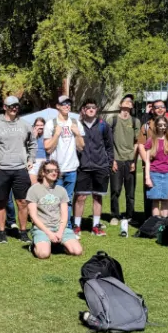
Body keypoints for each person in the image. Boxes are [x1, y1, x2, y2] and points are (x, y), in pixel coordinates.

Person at [0, 96, 35, 244]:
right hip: (1, 169)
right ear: (4, 107)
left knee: (22, 202)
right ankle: (2, 232)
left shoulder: (25, 125)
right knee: (1, 202)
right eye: (11, 106)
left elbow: (33, 143)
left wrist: (31, 160)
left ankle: (22, 232)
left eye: (16, 106)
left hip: (20, 169)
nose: (14, 108)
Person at [72, 98, 113, 238]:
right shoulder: (77, 125)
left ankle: (95, 226)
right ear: (83, 109)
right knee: (80, 197)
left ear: (96, 110)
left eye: (93, 107)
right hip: (82, 167)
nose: (90, 109)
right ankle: (76, 226)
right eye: (88, 107)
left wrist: (108, 163)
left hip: (100, 167)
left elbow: (109, 147)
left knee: (97, 197)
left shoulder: (103, 125)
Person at [27, 160, 82, 259]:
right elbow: (33, 216)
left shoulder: (61, 190)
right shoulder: (33, 190)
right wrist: (49, 233)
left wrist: (60, 232)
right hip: (42, 228)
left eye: (56, 170)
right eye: (50, 170)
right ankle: (34, 245)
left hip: (59, 227)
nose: (54, 173)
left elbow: (65, 215)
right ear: (43, 172)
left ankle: (58, 244)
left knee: (77, 251)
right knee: (44, 254)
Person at [42, 96, 82, 210]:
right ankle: (55, 225)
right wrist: (56, 134)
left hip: (71, 168)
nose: (67, 106)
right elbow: (47, 148)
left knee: (68, 199)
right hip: (56, 169)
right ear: (58, 106)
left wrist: (78, 134)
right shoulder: (51, 124)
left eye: (69, 104)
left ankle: (67, 226)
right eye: (64, 104)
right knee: (55, 200)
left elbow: (82, 147)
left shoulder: (75, 122)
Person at [109, 94, 140, 233]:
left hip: (129, 160)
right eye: (126, 101)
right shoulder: (113, 120)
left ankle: (129, 216)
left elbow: (137, 143)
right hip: (116, 160)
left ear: (132, 106)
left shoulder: (135, 121)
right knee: (115, 190)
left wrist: (134, 161)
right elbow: (108, 142)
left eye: (130, 102)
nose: (128, 103)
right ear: (120, 104)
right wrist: (112, 160)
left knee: (131, 192)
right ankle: (115, 215)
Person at [140, 116, 168, 218]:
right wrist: (147, 178)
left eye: (164, 125)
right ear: (156, 126)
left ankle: (164, 224)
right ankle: (155, 224)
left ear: (167, 126)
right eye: (160, 125)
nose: (162, 127)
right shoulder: (151, 140)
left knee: (166, 200)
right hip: (154, 174)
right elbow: (147, 161)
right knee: (155, 200)